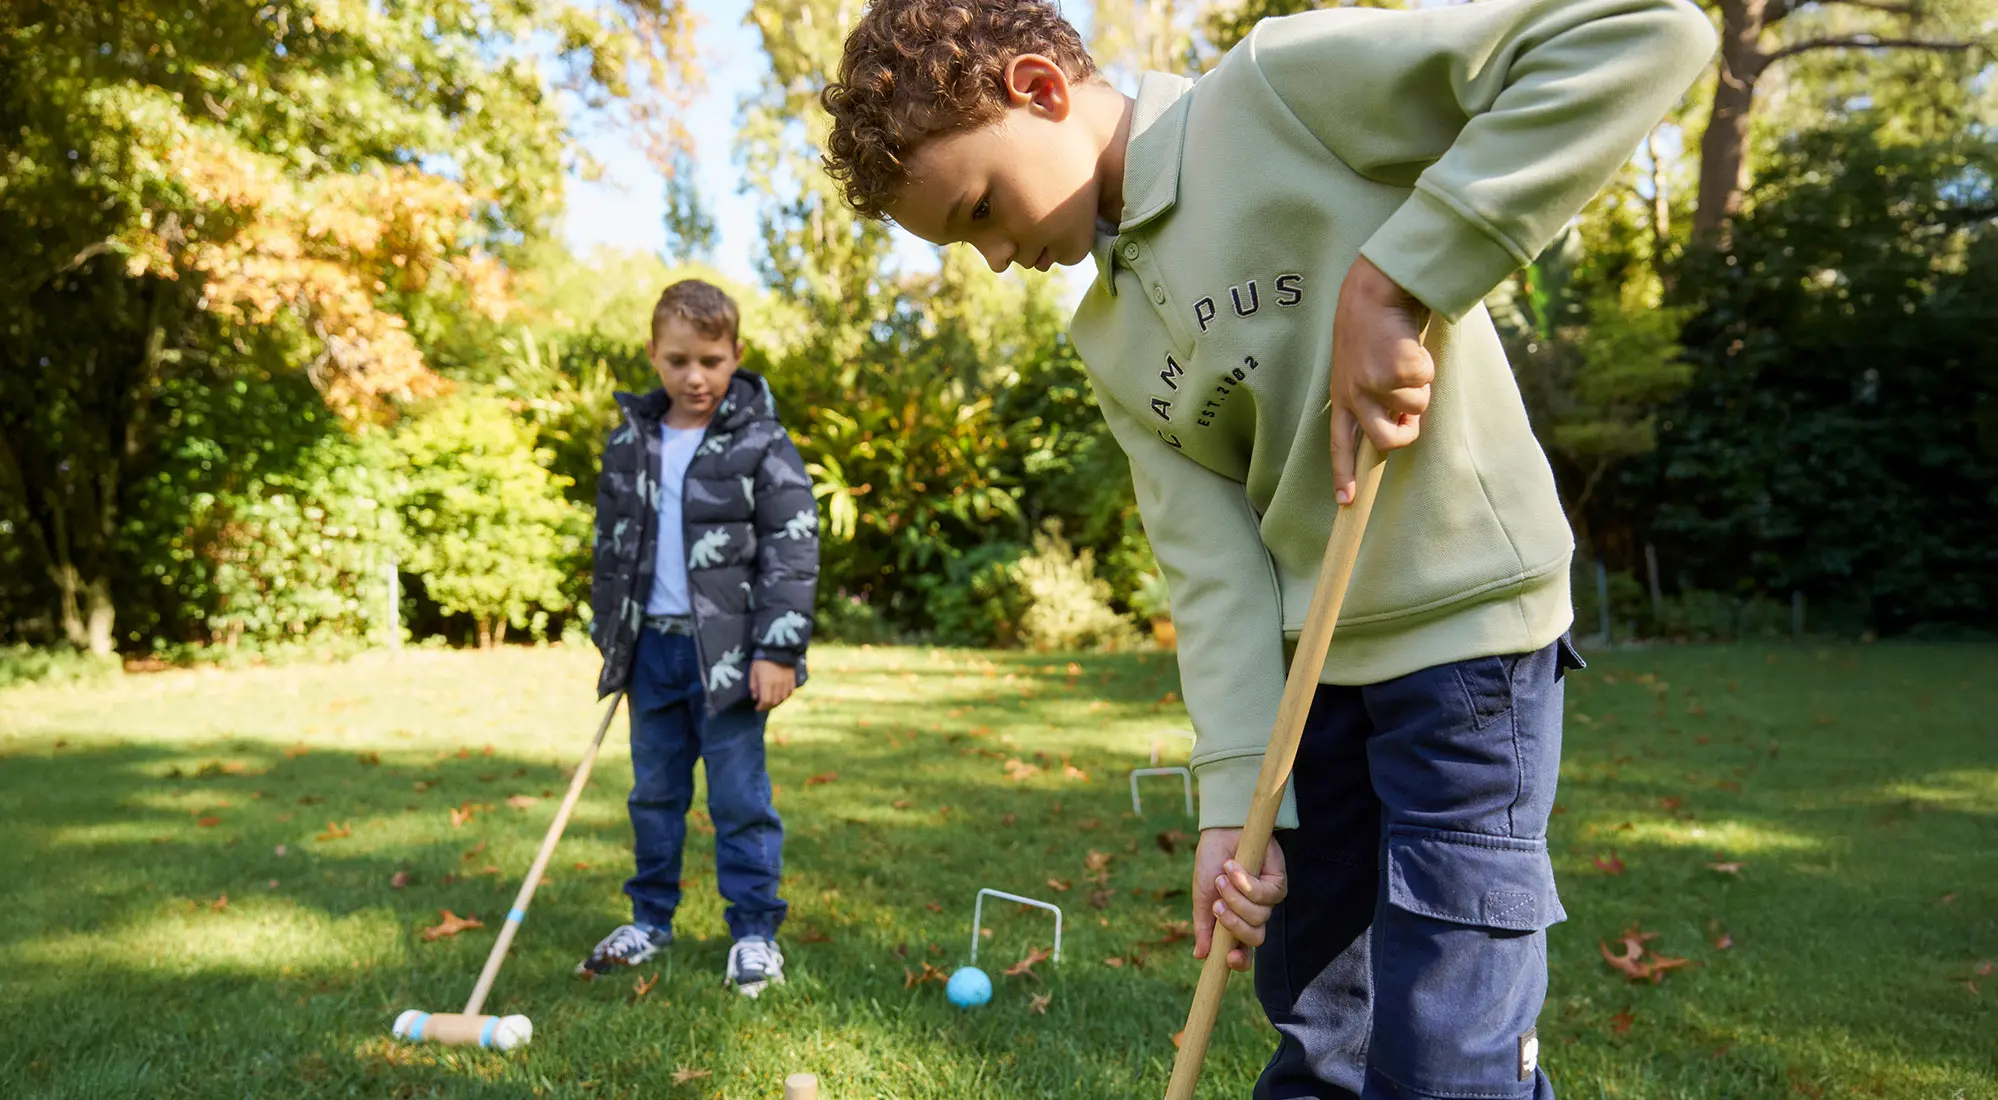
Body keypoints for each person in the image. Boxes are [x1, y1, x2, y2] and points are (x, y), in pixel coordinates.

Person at [820, 0, 1714, 1093]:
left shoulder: (1278, 92)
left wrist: (1402, 275)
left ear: (1039, 91)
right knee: (1320, 1038)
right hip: (1310, 690)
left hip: (1467, 648)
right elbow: (1214, 574)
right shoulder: (1108, 337)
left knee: (1444, 1057)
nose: (1000, 257)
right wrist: (1235, 804)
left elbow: (1642, 34)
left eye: (982, 210)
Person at [578, 278, 820, 998]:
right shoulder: (631, 441)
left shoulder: (761, 440)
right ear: (653, 355)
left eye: (712, 360)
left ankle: (753, 932)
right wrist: (612, 639)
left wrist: (778, 650)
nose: (695, 376)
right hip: (650, 650)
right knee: (653, 793)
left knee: (739, 797)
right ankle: (650, 919)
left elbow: (793, 547)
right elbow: (609, 548)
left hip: (730, 658)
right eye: (679, 359)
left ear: (736, 357)